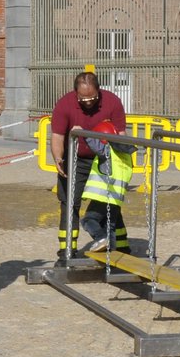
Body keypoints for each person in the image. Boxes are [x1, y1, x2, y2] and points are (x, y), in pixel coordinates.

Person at [49, 71, 127, 261]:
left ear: (99, 91)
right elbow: (58, 136)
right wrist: (58, 159)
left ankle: (121, 245)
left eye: (92, 97)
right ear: (76, 93)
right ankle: (67, 249)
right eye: (83, 98)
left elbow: (122, 134)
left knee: (109, 202)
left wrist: (119, 163)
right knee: (69, 202)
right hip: (76, 160)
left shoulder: (112, 102)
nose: (88, 102)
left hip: (103, 159)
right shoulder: (65, 104)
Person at [79, 119, 134, 253]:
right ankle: (110, 250)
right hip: (116, 197)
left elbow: (94, 143)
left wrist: (83, 132)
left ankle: (101, 238)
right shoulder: (125, 154)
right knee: (110, 225)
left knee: (89, 219)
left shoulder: (107, 151)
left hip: (102, 195)